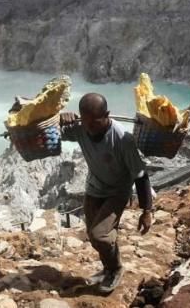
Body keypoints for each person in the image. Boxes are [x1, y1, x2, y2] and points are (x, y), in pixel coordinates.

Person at [60, 92, 154, 293]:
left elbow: (140, 175)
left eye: (94, 122)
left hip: (117, 191)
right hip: (94, 187)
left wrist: (147, 211)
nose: (89, 128)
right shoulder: (80, 128)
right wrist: (60, 119)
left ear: (107, 115)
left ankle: (116, 269)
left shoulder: (122, 139)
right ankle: (108, 268)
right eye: (85, 122)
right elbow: (51, 133)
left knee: (100, 235)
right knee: (93, 235)